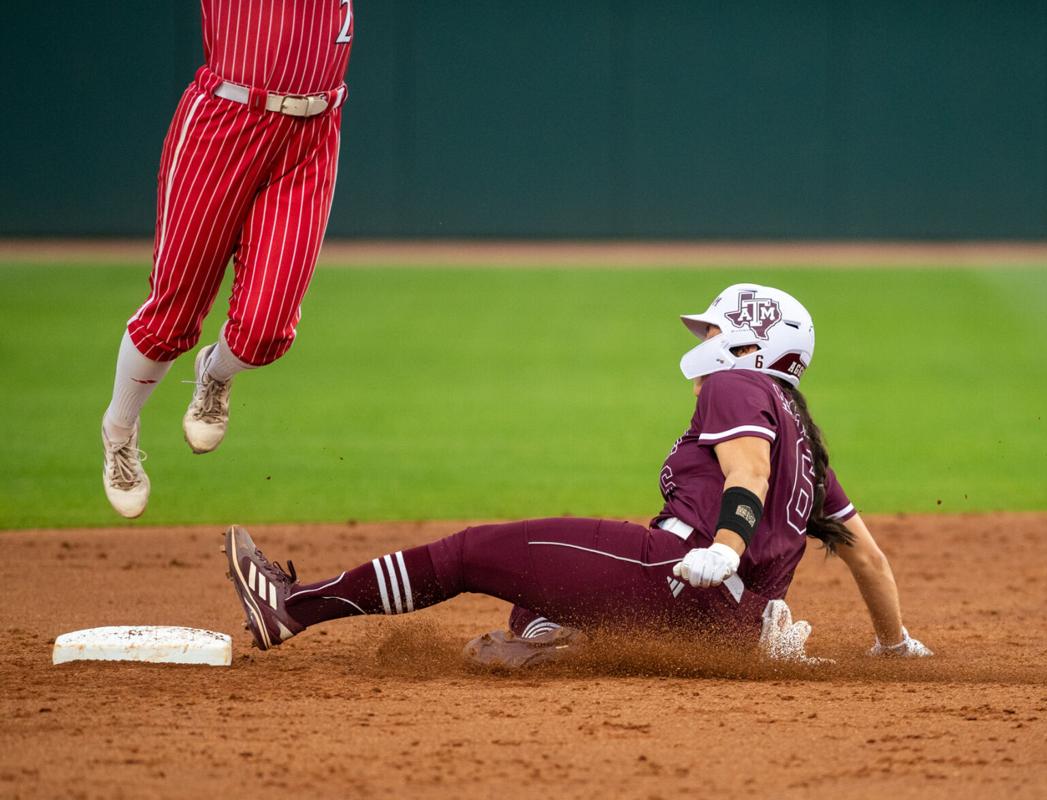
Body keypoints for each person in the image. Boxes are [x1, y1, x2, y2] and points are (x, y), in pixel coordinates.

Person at [223, 284, 932, 663]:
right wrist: (894, 647)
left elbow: (744, 473)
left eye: (716, 329)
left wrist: (724, 548)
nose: (707, 341)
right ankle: (558, 646)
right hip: (728, 628)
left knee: (472, 553)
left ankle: (294, 607)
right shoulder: (806, 436)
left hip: (683, 578)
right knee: (532, 608)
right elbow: (866, 555)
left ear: (753, 340)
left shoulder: (739, 388)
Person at [100, 0, 355, 518]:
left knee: (266, 332)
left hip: (312, 133)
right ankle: (120, 433)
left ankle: (214, 375)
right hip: (224, 122)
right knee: (172, 315)